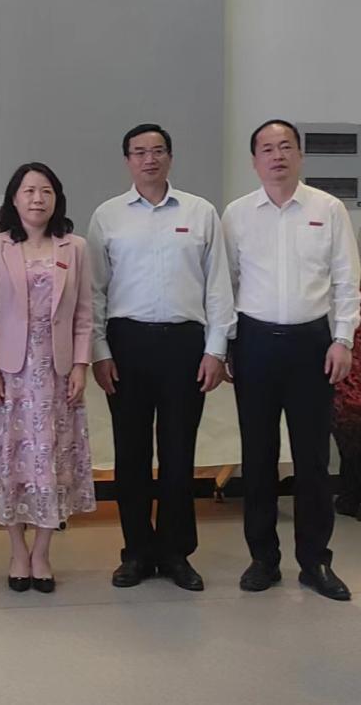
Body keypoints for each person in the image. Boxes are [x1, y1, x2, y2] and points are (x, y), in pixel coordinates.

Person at [87, 124, 235, 591]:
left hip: (185, 345)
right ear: (127, 160)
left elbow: (218, 287)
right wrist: (99, 352)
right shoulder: (108, 216)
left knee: (178, 452)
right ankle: (136, 552)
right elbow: (94, 292)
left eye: (157, 151)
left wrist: (216, 350)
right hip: (126, 344)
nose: (149, 159)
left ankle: (175, 552)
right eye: (139, 152)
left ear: (170, 157)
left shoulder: (200, 212)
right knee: (130, 454)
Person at [222, 119, 360, 601]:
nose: (277, 156)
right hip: (255, 342)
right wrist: (227, 344)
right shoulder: (237, 214)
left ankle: (315, 560)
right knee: (258, 457)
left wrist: (343, 340)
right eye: (267, 148)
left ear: (300, 155)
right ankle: (263, 558)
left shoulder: (328, 208)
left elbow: (346, 280)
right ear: (254, 160)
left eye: (285, 147)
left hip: (312, 346)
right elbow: (226, 284)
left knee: (313, 458)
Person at [0, 162, 96, 593]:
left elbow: (84, 315)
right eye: (29, 191)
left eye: (46, 191)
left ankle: (41, 552)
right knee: (13, 461)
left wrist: (81, 366)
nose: (37, 199)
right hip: (11, 373)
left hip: (57, 373)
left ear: (57, 198)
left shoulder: (74, 248)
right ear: (14, 198)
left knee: (52, 463)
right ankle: (17, 551)